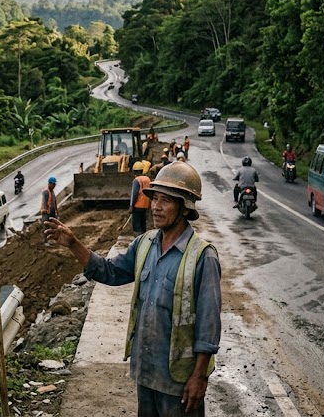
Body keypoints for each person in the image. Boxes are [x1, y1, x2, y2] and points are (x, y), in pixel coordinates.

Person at [44, 162, 221, 416]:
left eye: (166, 201)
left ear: (185, 207)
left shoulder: (202, 256)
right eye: (155, 199)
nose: (156, 207)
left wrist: (199, 378)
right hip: (146, 372)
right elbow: (110, 272)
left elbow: (209, 325)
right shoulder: (144, 244)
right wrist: (73, 243)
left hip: (179, 382)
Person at [128, 161, 152, 236]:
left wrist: (131, 206)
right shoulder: (148, 179)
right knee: (143, 223)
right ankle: (143, 238)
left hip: (137, 206)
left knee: (136, 225)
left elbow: (134, 194)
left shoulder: (137, 180)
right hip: (146, 205)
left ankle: (138, 240)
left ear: (135, 171)